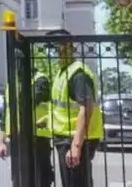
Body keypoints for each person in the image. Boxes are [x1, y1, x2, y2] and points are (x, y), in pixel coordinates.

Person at [47, 29, 104, 187]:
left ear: (67, 47)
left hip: (75, 138)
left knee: (76, 182)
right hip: (66, 137)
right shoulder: (63, 71)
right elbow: (62, 106)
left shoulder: (78, 73)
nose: (53, 52)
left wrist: (76, 145)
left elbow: (87, 108)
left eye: (55, 47)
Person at [0, 65, 55, 187]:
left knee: (40, 178)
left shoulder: (41, 80)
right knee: (19, 177)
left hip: (37, 137)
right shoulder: (12, 84)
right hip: (17, 138)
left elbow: (30, 102)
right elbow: (5, 115)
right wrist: (1, 142)